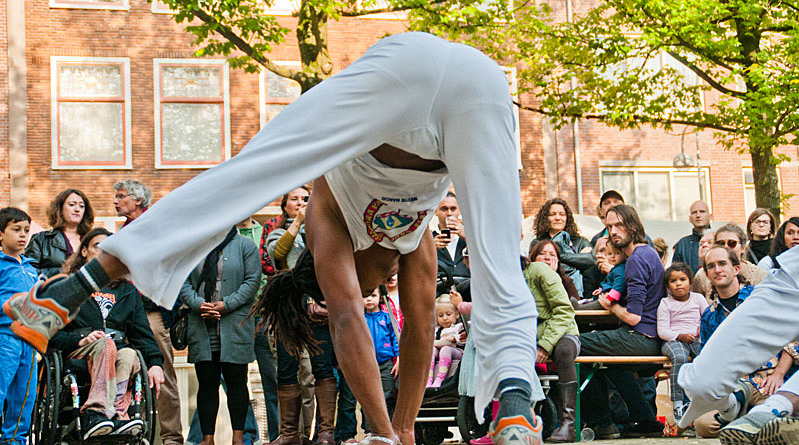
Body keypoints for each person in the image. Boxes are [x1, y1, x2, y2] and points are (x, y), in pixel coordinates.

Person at [6, 32, 543, 445]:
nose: (377, 288)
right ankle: (516, 400)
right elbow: (349, 318)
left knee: (499, 253)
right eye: (370, 285)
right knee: (253, 174)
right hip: (454, 84)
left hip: (428, 70)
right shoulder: (336, 224)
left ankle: (515, 401)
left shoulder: (386, 238)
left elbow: (417, 324)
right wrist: (388, 431)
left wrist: (396, 430)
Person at [674, 246, 798, 440]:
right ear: (706, 274)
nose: (717, 269)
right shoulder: (709, 315)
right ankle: (747, 421)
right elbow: (709, 358)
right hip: (736, 386)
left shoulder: (759, 297)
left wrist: (780, 374)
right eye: (711, 266)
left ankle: (763, 417)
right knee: (704, 425)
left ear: (736, 269)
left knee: (777, 413)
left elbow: (793, 341)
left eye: (722, 264)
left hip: (770, 380)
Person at [53, 227, 166, 439]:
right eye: (98, 247)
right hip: (81, 351)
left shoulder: (127, 290)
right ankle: (95, 412)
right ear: (84, 251)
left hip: (116, 350)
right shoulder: (68, 286)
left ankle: (117, 413)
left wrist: (155, 364)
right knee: (106, 345)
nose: (105, 253)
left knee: (129, 354)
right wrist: (79, 340)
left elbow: (142, 334)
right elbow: (52, 336)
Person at [578, 204, 665, 439]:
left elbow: (633, 317)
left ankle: (603, 423)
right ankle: (646, 420)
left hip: (640, 337)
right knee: (613, 364)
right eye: (609, 227)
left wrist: (611, 305)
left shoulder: (636, 259)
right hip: (648, 337)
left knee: (573, 347)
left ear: (633, 226)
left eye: (619, 225)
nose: (613, 231)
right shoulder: (646, 253)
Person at [265, 187, 338, 445]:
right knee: (286, 370)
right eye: (294, 199)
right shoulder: (277, 233)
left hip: (318, 309)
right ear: (285, 205)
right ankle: (289, 434)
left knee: (322, 368)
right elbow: (278, 256)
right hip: (289, 310)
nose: (301, 203)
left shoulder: (325, 231)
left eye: (306, 199)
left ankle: (325, 433)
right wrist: (298, 221)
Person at [115, 179, 185, 445]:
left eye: (121, 196)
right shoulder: (122, 232)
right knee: (127, 376)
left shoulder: (155, 228)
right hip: (124, 315)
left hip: (152, 313)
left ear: (138, 201)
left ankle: (171, 439)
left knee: (162, 375)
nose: (116, 201)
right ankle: (134, 434)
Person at [179, 227, 261, 445]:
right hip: (202, 324)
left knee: (237, 382)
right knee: (206, 384)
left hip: (235, 324)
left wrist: (227, 304)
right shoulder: (194, 247)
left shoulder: (245, 246)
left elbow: (252, 281)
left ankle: (238, 436)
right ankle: (207, 438)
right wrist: (199, 305)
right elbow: (182, 282)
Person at [522, 258, 580, 443]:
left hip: (564, 331)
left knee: (563, 352)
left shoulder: (537, 270)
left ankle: (568, 425)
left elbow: (564, 310)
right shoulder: (500, 277)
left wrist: (545, 344)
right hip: (527, 336)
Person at [238, 215, 279, 442]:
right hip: (237, 317)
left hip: (264, 316)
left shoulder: (264, 233)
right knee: (235, 378)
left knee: (272, 378)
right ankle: (248, 434)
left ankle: (277, 435)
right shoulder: (228, 236)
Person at [0, 207, 38, 445]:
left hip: (30, 340)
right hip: (5, 337)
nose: (23, 235)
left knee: (24, 397)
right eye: (16, 230)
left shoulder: (32, 268)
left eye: (26, 230)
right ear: (1, 234)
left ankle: (14, 440)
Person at [656, 263, 708, 424]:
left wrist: (701, 328)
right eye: (673, 281)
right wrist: (680, 336)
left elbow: (707, 317)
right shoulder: (665, 303)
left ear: (690, 282)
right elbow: (662, 331)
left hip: (695, 338)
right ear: (668, 286)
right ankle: (678, 403)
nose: (678, 284)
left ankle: (703, 399)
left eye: (683, 279)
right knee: (680, 357)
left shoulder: (698, 299)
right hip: (673, 340)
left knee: (704, 357)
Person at [529, 198, 597, 297]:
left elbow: (591, 260)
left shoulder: (580, 241)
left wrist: (558, 256)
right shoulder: (538, 243)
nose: (557, 218)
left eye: (562, 214)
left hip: (582, 294)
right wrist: (577, 258)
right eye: (552, 214)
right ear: (545, 218)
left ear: (567, 218)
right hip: (549, 291)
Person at [25, 188, 95, 277]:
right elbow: (29, 273)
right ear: (60, 209)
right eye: (72, 204)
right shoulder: (41, 239)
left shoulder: (92, 240)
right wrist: (61, 272)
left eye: (81, 206)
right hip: (53, 289)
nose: (77, 209)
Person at [692, 223, 767, 301]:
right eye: (720, 243)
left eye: (732, 243)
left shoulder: (759, 275)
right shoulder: (702, 275)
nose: (726, 247)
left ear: (743, 248)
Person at [364, 288, 399, 425]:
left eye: (373, 295)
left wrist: (399, 359)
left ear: (380, 298)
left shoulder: (387, 317)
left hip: (386, 363)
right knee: (369, 397)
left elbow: (396, 339)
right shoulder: (359, 319)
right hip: (366, 364)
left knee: (388, 394)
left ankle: (388, 427)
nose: (369, 299)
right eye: (365, 296)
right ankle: (369, 429)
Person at [574, 239, 626, 310]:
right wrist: (600, 290)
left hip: (612, 301)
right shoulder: (590, 273)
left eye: (617, 253)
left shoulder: (621, 269)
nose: (612, 256)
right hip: (601, 298)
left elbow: (619, 285)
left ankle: (579, 307)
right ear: (596, 255)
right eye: (609, 253)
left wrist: (610, 297)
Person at [427, 295, 464, 388]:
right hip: (440, 352)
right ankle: (428, 378)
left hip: (457, 351)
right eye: (440, 315)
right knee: (431, 349)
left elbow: (462, 339)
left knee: (446, 348)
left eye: (448, 314)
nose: (444, 318)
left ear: (457, 314)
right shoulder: (437, 330)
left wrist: (455, 338)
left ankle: (440, 379)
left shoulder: (458, 327)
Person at [433, 193, 469, 278]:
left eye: (453, 209)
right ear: (435, 211)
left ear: (459, 210)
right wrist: (431, 249)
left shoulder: (470, 236)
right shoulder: (429, 238)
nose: (449, 213)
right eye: (444, 209)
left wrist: (467, 237)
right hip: (440, 287)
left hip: (467, 286)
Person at [672, 200, 712, 274]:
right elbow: (676, 274)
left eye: (702, 211)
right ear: (690, 218)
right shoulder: (682, 245)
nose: (698, 215)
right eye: (694, 212)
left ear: (710, 216)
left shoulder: (720, 240)